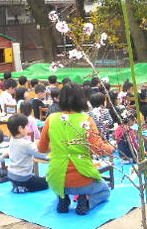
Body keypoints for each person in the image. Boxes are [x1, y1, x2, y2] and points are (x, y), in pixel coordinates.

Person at [38, 82, 114, 215]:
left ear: (60, 99)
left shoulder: (51, 119)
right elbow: (99, 149)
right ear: (82, 99)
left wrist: (58, 146)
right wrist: (113, 147)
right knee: (105, 191)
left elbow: (41, 148)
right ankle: (85, 201)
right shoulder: (86, 119)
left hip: (57, 178)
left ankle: (63, 198)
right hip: (83, 178)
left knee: (62, 184)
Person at [7, 113, 50, 194]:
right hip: (23, 177)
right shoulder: (25, 144)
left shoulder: (12, 139)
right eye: (27, 126)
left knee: (36, 179)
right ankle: (23, 188)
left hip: (11, 175)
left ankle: (18, 185)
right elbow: (41, 153)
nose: (28, 128)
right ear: (20, 128)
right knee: (45, 183)